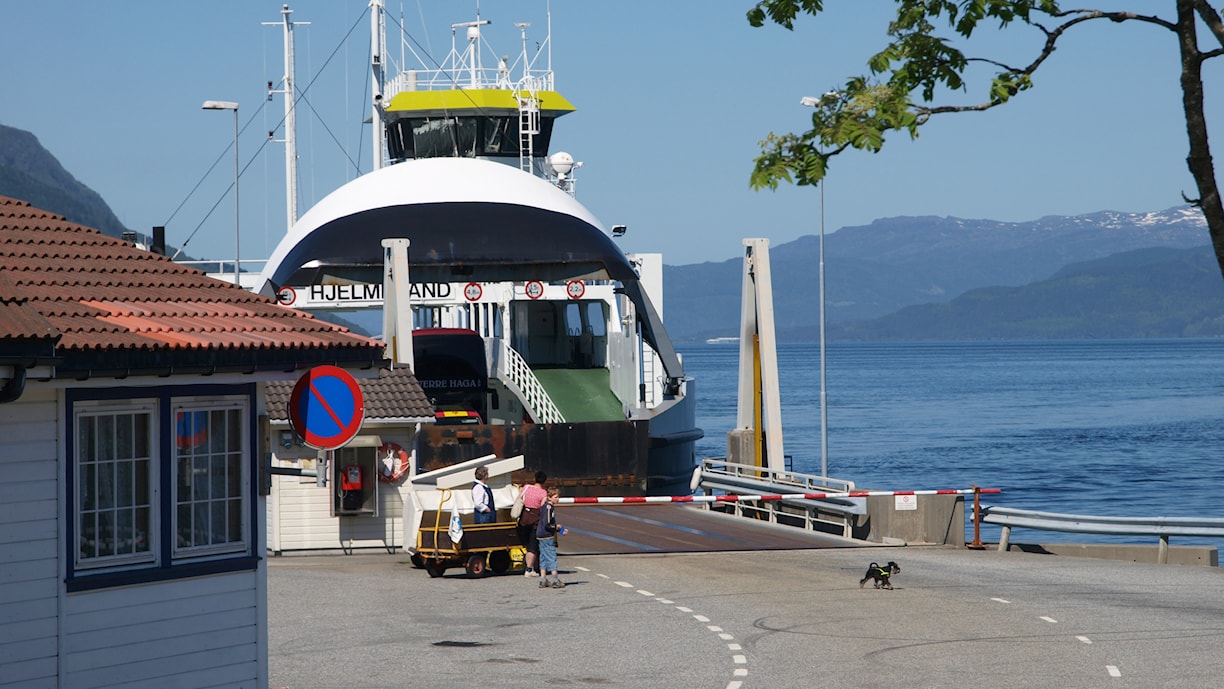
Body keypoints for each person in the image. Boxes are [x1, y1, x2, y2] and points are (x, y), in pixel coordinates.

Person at [516, 471, 548, 577]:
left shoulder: (526, 488)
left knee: (527, 544)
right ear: (544, 481)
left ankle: (530, 566)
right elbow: (543, 508)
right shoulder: (543, 493)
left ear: (534, 479)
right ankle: (529, 569)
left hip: (524, 519)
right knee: (532, 546)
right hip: (535, 521)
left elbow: (519, 499)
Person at [536, 487, 566, 589]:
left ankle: (543, 579)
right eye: (556, 497)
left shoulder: (544, 507)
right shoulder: (549, 508)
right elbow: (547, 523)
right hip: (546, 535)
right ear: (549, 497)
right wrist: (557, 528)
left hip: (540, 535)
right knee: (551, 557)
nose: (558, 499)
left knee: (543, 558)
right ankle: (555, 579)